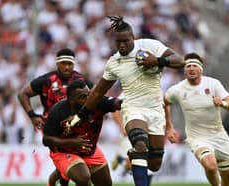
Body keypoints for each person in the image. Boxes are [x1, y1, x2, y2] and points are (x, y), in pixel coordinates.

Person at [66, 16, 183, 186]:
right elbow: (98, 91)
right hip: (133, 109)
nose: (121, 45)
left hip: (155, 109)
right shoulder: (114, 62)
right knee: (141, 144)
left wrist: (157, 61)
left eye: (125, 41)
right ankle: (136, 152)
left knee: (155, 164)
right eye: (118, 42)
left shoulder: (150, 46)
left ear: (133, 38)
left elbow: (180, 61)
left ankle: (132, 155)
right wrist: (80, 115)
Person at [17, 48, 93, 186]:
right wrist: (32, 115)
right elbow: (23, 93)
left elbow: (95, 98)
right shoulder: (46, 80)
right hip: (53, 128)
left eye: (70, 64)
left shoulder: (82, 81)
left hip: (78, 126)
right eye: (63, 63)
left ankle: (54, 182)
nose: (67, 67)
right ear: (57, 64)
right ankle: (58, 181)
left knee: (75, 159)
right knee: (67, 158)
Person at [164, 53, 229, 186]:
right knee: (210, 166)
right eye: (188, 66)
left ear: (201, 69)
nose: (191, 68)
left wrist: (222, 103)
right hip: (197, 138)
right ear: (185, 70)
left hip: (219, 135)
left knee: (228, 180)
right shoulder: (178, 89)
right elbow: (164, 102)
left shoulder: (213, 84)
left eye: (194, 66)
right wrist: (169, 127)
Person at [42, 80, 122, 186]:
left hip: (90, 151)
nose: (87, 100)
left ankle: (61, 174)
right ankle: (62, 172)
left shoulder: (97, 102)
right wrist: (72, 142)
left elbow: (116, 103)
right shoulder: (58, 111)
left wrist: (127, 102)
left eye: (88, 95)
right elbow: (46, 140)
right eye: (82, 97)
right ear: (71, 100)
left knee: (106, 184)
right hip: (64, 152)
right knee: (83, 178)